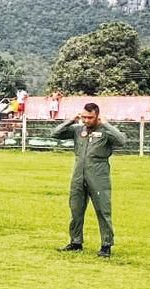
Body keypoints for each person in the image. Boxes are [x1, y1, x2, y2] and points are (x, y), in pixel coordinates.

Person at [50, 102, 127, 258]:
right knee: (76, 209)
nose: (86, 120)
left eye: (90, 117)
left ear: (97, 116)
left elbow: (121, 140)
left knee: (103, 211)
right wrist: (71, 120)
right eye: (84, 117)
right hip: (78, 174)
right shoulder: (78, 130)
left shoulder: (105, 131)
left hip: (98, 176)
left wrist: (106, 124)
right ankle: (75, 242)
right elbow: (55, 134)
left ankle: (106, 245)